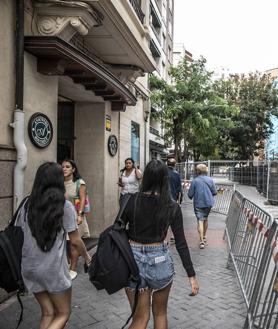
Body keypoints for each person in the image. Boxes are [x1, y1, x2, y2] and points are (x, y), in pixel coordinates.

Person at [121, 160, 199, 329]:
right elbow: (181, 243)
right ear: (165, 179)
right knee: (160, 313)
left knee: (140, 318)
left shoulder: (130, 200)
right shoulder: (172, 206)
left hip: (132, 262)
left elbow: (118, 230)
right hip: (160, 261)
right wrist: (191, 275)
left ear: (146, 177)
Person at [15, 162, 91, 329]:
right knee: (63, 313)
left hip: (29, 267)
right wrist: (87, 258)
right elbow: (76, 240)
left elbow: (19, 233)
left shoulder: (26, 204)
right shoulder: (65, 206)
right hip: (52, 270)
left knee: (48, 313)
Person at [62, 159, 90, 280]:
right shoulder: (59, 182)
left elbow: (83, 199)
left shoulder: (79, 182)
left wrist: (80, 214)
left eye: (67, 167)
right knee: (65, 243)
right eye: (62, 167)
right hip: (62, 217)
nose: (64, 169)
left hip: (76, 215)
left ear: (73, 169)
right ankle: (85, 259)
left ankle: (73, 269)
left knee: (73, 243)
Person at [187, 163, 217, 249]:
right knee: (206, 218)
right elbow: (214, 192)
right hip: (208, 203)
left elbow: (190, 195)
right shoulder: (210, 180)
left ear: (198, 171)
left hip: (198, 203)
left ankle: (201, 241)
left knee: (200, 220)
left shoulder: (195, 181)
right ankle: (204, 236)